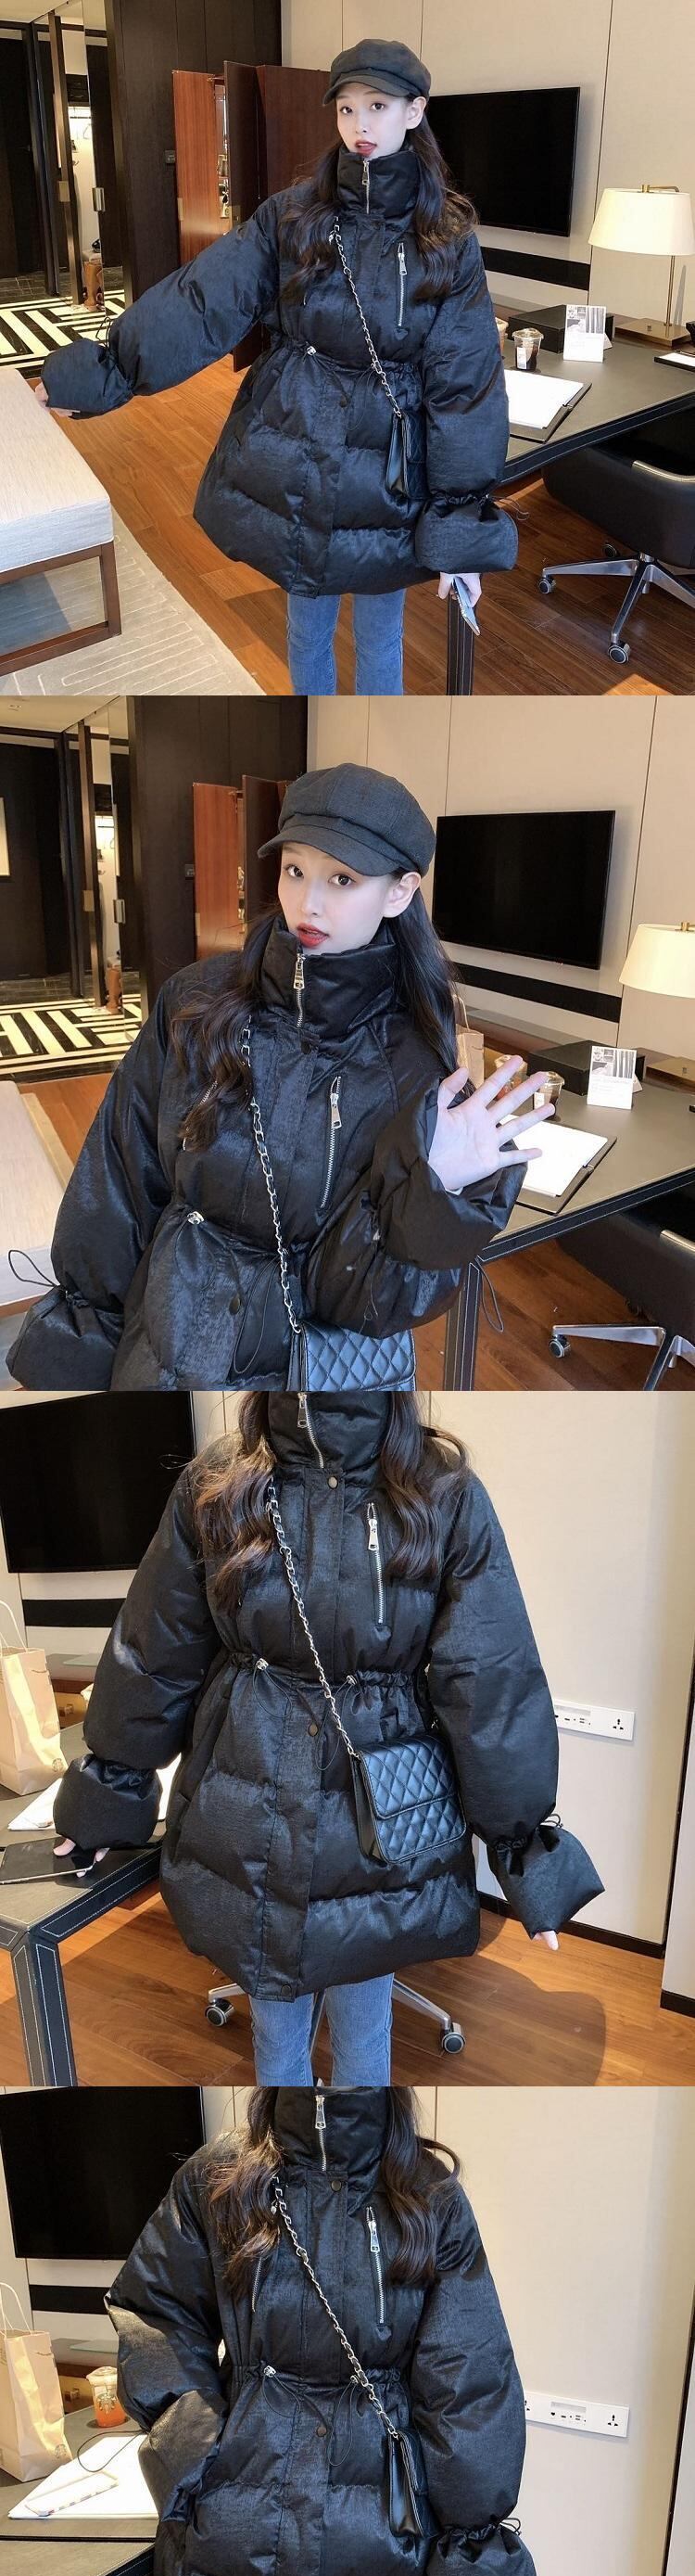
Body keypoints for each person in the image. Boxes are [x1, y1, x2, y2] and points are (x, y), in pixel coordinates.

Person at [51, 1392, 602, 2084]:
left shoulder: (441, 1491)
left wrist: (524, 1846)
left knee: (363, 2012)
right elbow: (158, 1647)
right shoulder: (219, 1482)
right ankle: (284, 2135)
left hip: (380, 1792)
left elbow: (489, 1677)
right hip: (249, 1773)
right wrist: (111, 1788)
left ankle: (346, 2136)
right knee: (275, 2016)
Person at [7, 764, 551, 1394]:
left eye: (342, 879)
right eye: (295, 870)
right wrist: (76, 1358)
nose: (308, 903)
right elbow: (120, 1182)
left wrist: (431, 1194)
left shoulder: (413, 1067)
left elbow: (360, 1299)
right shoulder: (196, 1003)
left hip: (309, 1381)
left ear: (399, 893)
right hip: (168, 1338)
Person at [34, 38, 516, 698]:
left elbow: (466, 384)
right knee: (307, 628)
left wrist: (461, 531)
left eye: (377, 106)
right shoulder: (293, 216)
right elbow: (203, 302)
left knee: (381, 637)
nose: (360, 125)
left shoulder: (447, 238)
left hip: (392, 464)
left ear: (414, 111)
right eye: (346, 109)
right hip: (299, 438)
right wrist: (102, 373)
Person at [105, 2085, 540, 2576]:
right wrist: (196, 2448)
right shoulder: (222, 2177)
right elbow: (156, 2310)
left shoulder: (424, 2193)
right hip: (248, 2504)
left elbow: (468, 2381)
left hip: (381, 2515)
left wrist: (473, 2558)